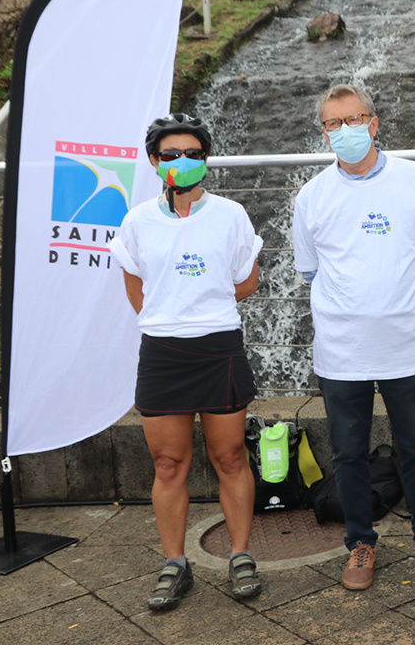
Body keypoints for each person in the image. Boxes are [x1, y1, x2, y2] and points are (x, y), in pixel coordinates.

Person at [292, 84, 415, 591]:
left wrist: (387, 294)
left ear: (373, 123)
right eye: (333, 123)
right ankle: (360, 542)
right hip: (341, 349)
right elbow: (310, 270)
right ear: (324, 132)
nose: (344, 130)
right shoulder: (312, 196)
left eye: (354, 119)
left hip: (403, 342)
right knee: (348, 452)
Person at [110, 113, 264, 611]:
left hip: (218, 348)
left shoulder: (231, 215)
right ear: (154, 161)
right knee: (168, 463)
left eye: (193, 154)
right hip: (163, 353)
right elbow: (136, 289)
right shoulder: (137, 221)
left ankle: (240, 555)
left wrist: (202, 304)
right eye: (171, 154)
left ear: (205, 160)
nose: (182, 161)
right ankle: (175, 564)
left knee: (230, 458)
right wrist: (171, 314)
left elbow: (248, 281)